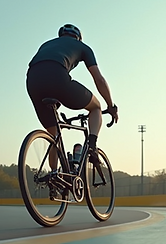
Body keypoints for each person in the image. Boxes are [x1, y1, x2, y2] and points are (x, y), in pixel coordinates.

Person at [26, 24, 118, 171]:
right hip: (57, 75)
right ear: (78, 38)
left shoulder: (47, 44)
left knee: (53, 134)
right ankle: (92, 147)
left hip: (32, 80)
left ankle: (54, 176)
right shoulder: (83, 47)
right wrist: (111, 105)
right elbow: (99, 79)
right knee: (96, 107)